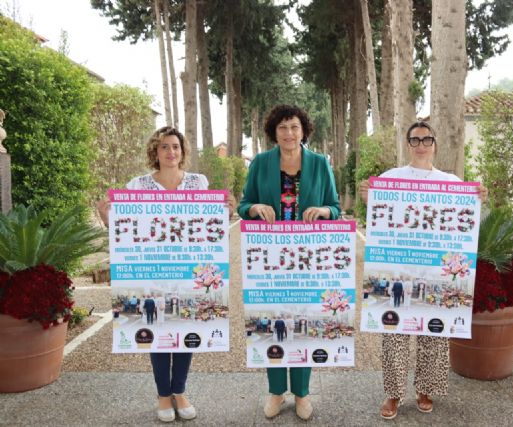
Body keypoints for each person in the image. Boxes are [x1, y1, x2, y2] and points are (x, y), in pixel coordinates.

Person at [97, 126, 235, 423]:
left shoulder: (199, 182)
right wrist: (107, 216)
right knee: (158, 331)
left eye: (175, 146)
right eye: (164, 147)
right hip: (152, 269)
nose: (170, 152)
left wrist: (226, 212)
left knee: (185, 328)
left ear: (182, 151)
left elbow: (208, 226)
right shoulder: (138, 184)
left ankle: (180, 391)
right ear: (155, 152)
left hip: (189, 269)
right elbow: (125, 230)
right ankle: (163, 395)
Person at [359, 121, 487, 420]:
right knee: (394, 334)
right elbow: (378, 215)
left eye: (427, 139)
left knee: (434, 334)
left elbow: (466, 220)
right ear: (408, 144)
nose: (421, 144)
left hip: (436, 275)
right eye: (415, 139)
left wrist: (478, 197)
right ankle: (393, 393)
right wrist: (369, 197)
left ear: (435, 143)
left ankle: (425, 389)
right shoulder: (391, 178)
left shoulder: (451, 182)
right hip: (398, 271)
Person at [238, 104, 340, 421]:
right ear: (274, 132)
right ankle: (276, 391)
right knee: (272, 323)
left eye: (294, 126)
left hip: (308, 259)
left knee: (304, 323)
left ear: (303, 130)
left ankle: (302, 393)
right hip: (270, 261)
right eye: (282, 127)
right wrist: (254, 207)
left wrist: (324, 212)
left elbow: (335, 208)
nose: (289, 133)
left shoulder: (320, 164)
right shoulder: (261, 163)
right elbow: (243, 205)